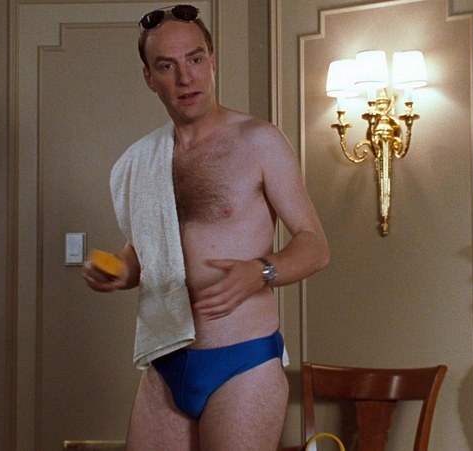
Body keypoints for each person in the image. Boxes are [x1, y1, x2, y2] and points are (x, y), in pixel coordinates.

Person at [82, 5, 329, 450]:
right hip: (166, 360)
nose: (185, 77)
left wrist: (260, 271)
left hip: (242, 360)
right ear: (149, 77)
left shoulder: (259, 141)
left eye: (195, 59)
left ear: (212, 62)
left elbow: (314, 246)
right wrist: (120, 268)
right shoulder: (138, 161)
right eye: (167, 66)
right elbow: (147, 251)